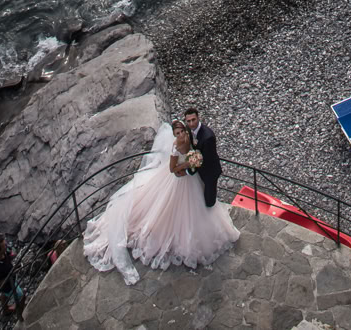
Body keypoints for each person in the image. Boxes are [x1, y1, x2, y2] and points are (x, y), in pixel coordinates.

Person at [82, 119, 238, 285]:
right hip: (178, 180)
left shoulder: (191, 140)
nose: (180, 135)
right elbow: (172, 169)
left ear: (185, 131)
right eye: (177, 133)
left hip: (191, 181)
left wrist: (195, 162)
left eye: (182, 132)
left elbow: (198, 155)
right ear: (174, 135)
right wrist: (187, 164)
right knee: (174, 209)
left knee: (198, 206)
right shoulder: (175, 148)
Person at [183, 106, 222, 208]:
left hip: (210, 172)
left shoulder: (208, 137)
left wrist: (189, 169)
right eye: (188, 121)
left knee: (209, 200)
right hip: (199, 169)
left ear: (198, 118)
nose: (191, 123)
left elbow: (205, 159)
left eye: (193, 120)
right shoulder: (188, 129)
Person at [0, 238, 24, 319]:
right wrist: (9, 277)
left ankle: (5, 310)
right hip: (8, 285)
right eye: (4, 245)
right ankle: (20, 314)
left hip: (8, 281)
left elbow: (8, 255)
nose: (6, 246)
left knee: (4, 294)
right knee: (22, 297)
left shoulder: (1, 253)